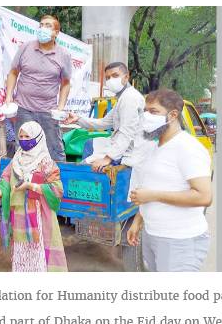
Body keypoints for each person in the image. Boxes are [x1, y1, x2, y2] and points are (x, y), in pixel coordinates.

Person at [127, 88, 213, 272]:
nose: (146, 116)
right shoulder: (153, 146)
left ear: (173, 115)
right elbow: (152, 187)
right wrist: (137, 221)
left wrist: (152, 195)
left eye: (153, 112)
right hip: (153, 235)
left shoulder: (188, 148)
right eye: (145, 111)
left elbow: (204, 197)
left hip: (180, 241)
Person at [0, 122, 67, 273]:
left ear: (38, 138)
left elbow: (57, 189)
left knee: (39, 258)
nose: (23, 140)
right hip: (19, 220)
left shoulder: (46, 163)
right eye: (21, 137)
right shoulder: (15, 161)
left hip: (40, 220)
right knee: (21, 256)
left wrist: (30, 186)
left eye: (27, 136)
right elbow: (4, 187)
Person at [5, 14, 71, 162]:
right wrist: (9, 96)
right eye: (41, 25)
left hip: (48, 111)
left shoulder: (63, 54)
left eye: (48, 26)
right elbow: (13, 72)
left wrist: (60, 108)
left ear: (56, 33)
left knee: (54, 148)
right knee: (23, 146)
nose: (43, 28)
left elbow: (66, 83)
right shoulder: (26, 47)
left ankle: (58, 181)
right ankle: (22, 181)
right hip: (23, 108)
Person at [66, 62, 145, 171]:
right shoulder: (122, 98)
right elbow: (104, 123)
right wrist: (78, 119)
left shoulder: (129, 98)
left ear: (126, 77)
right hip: (120, 150)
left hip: (127, 155)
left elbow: (126, 132)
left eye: (115, 76)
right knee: (88, 152)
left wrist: (108, 158)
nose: (111, 80)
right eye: (108, 78)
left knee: (85, 168)